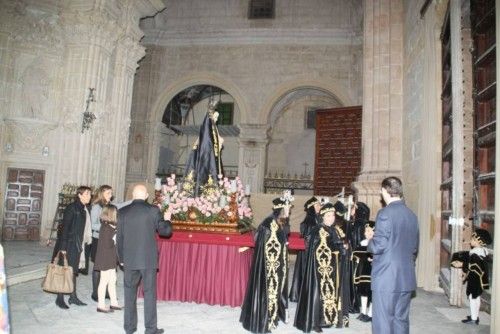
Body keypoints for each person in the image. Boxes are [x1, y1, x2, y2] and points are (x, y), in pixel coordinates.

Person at [365, 176, 419, 334]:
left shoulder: (385, 213)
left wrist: (370, 240)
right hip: (406, 277)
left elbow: (379, 245)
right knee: (400, 320)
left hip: (387, 278)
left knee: (383, 322)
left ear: (384, 191)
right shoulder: (412, 215)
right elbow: (414, 248)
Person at [117, 184, 173, 334]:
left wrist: (121, 258)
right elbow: (165, 232)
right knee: (149, 295)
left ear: (133, 195)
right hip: (148, 260)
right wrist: (167, 220)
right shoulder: (153, 210)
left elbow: (119, 238)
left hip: (129, 259)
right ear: (147, 195)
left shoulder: (122, 212)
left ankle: (129, 328)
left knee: (129, 295)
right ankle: (150, 329)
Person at [294, 202, 349, 333]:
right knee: (318, 294)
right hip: (319, 271)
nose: (331, 218)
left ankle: (328, 318)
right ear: (323, 217)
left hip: (331, 270)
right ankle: (315, 321)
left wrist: (343, 248)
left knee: (330, 294)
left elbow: (336, 245)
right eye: (328, 215)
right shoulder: (318, 230)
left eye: (332, 215)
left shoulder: (333, 229)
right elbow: (319, 250)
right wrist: (339, 250)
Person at [240, 197, 291, 333]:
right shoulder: (270, 223)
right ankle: (265, 319)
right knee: (268, 290)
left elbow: (285, 236)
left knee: (276, 289)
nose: (288, 211)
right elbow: (263, 240)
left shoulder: (279, 221)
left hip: (277, 264)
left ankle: (275, 315)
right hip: (269, 265)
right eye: (286, 209)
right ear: (280, 210)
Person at [52, 186, 92, 309]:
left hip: (77, 244)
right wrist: (63, 247)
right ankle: (59, 298)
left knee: (73, 271)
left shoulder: (84, 208)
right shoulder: (72, 208)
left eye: (90, 194)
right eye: (86, 194)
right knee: (65, 271)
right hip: (68, 244)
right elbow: (65, 228)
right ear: (79, 195)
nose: (89, 196)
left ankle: (73, 296)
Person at [90, 185, 131, 302]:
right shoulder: (96, 207)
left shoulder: (109, 206)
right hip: (98, 239)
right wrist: (106, 226)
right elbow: (92, 225)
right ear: (102, 193)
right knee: (98, 267)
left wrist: (133, 200)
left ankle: (108, 292)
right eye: (108, 193)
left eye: (111, 193)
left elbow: (121, 205)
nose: (111, 195)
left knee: (109, 266)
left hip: (110, 239)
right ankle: (95, 293)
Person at [451, 228, 492, 325]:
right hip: (479, 278)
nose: (471, 241)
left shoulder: (476, 253)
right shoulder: (483, 251)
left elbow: (473, 266)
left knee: (473, 298)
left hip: (475, 279)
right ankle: (475, 315)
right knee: (475, 297)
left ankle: (474, 319)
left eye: (473, 240)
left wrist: (462, 264)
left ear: (479, 242)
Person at [183, 99, 224, 196]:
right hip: (207, 163)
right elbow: (208, 144)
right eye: (215, 117)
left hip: (213, 161)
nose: (217, 119)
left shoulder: (213, 132)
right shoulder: (208, 134)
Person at [289, 196, 321, 302]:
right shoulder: (309, 221)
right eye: (317, 205)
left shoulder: (318, 218)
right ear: (312, 207)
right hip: (307, 253)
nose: (319, 206)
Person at [93, 204, 121, 313]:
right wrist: (115, 236)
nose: (117, 214)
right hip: (105, 259)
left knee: (113, 280)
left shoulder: (110, 227)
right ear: (110, 214)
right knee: (104, 281)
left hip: (110, 258)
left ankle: (113, 303)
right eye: (116, 212)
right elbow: (108, 244)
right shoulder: (105, 227)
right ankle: (101, 305)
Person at [348, 201, 370, 313]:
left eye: (353, 209)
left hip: (355, 256)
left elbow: (353, 241)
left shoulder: (357, 224)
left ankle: (354, 303)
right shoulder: (366, 223)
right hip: (363, 257)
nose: (351, 211)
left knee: (354, 280)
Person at [352, 220, 375, 322]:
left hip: (373, 272)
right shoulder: (362, 243)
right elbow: (356, 254)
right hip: (363, 271)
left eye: (370, 231)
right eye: (366, 231)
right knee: (363, 291)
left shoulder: (377, 244)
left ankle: (370, 313)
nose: (368, 233)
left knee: (372, 292)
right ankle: (363, 312)